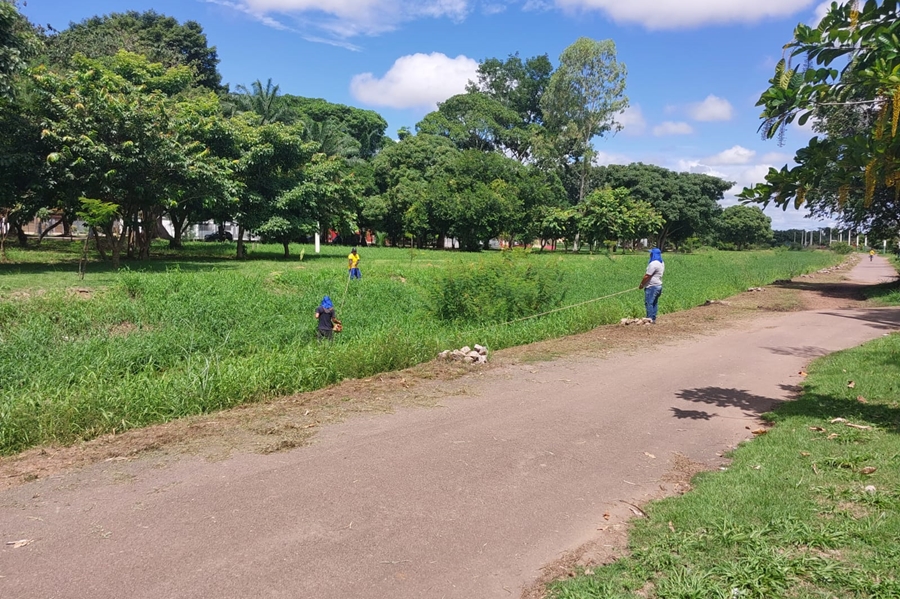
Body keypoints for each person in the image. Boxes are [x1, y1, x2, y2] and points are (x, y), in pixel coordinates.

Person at [638, 248, 665, 323]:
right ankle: (653, 318)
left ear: (653, 254)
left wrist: (642, 284)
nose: (650, 255)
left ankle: (649, 319)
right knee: (654, 302)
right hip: (658, 285)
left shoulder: (654, 264)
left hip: (652, 286)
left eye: (651, 253)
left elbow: (647, 276)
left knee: (649, 302)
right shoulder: (661, 263)